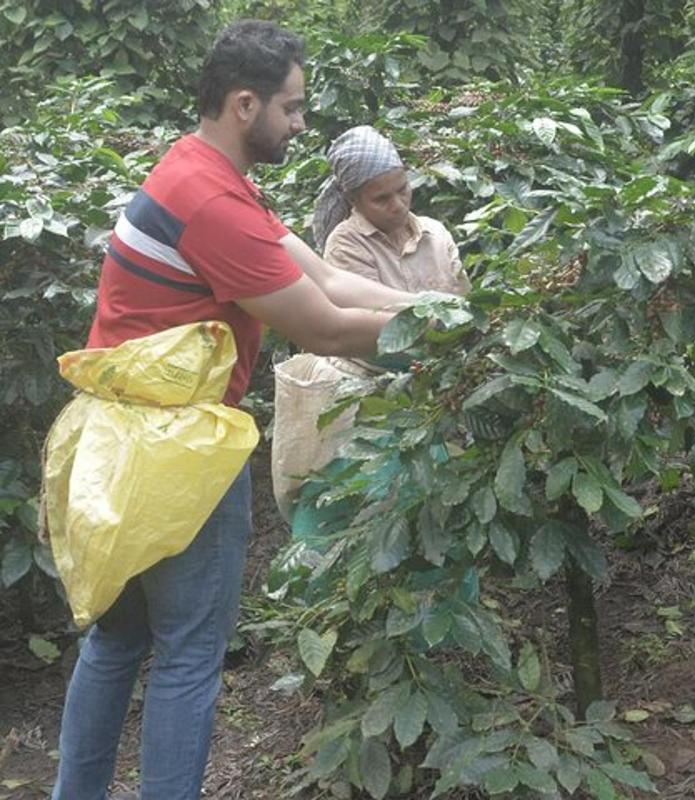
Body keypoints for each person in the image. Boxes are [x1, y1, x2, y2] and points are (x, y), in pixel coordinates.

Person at [52, 20, 422, 800]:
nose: (299, 123)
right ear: (245, 104)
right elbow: (320, 323)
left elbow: (328, 278)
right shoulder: (212, 203)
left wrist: (441, 309)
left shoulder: (198, 174)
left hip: (114, 444)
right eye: (291, 108)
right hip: (178, 455)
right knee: (188, 656)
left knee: (114, 644)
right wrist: (443, 344)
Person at [312, 125, 470, 295]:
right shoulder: (345, 246)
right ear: (353, 199)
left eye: (402, 190)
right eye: (381, 199)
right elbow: (372, 312)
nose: (398, 205)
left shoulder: (435, 232)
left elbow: (464, 299)